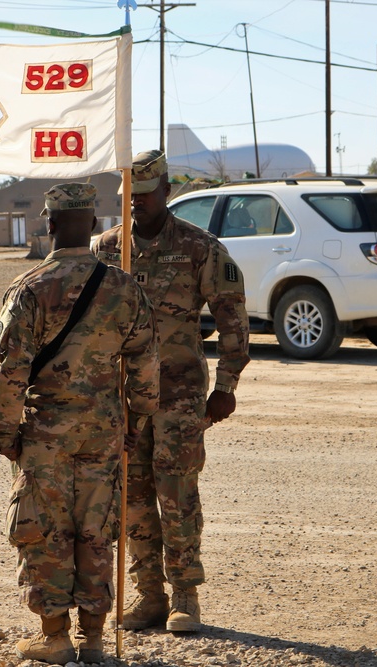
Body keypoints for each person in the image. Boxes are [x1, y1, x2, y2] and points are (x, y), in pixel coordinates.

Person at [0, 183, 159, 665]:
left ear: (49, 224)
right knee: (97, 529)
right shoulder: (124, 288)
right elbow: (146, 362)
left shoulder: (30, 289)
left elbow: (10, 371)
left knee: (46, 530)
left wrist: (5, 432)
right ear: (97, 226)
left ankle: (55, 636)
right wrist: (138, 418)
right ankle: (96, 639)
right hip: (103, 431)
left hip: (46, 433)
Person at [92, 150, 250, 632]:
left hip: (180, 394)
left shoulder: (199, 247)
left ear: (165, 191)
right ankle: (149, 596)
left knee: (177, 491)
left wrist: (226, 386)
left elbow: (233, 321)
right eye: (128, 197)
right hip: (124, 397)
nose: (135, 204)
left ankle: (186, 595)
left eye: (143, 195)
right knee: (133, 496)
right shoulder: (107, 249)